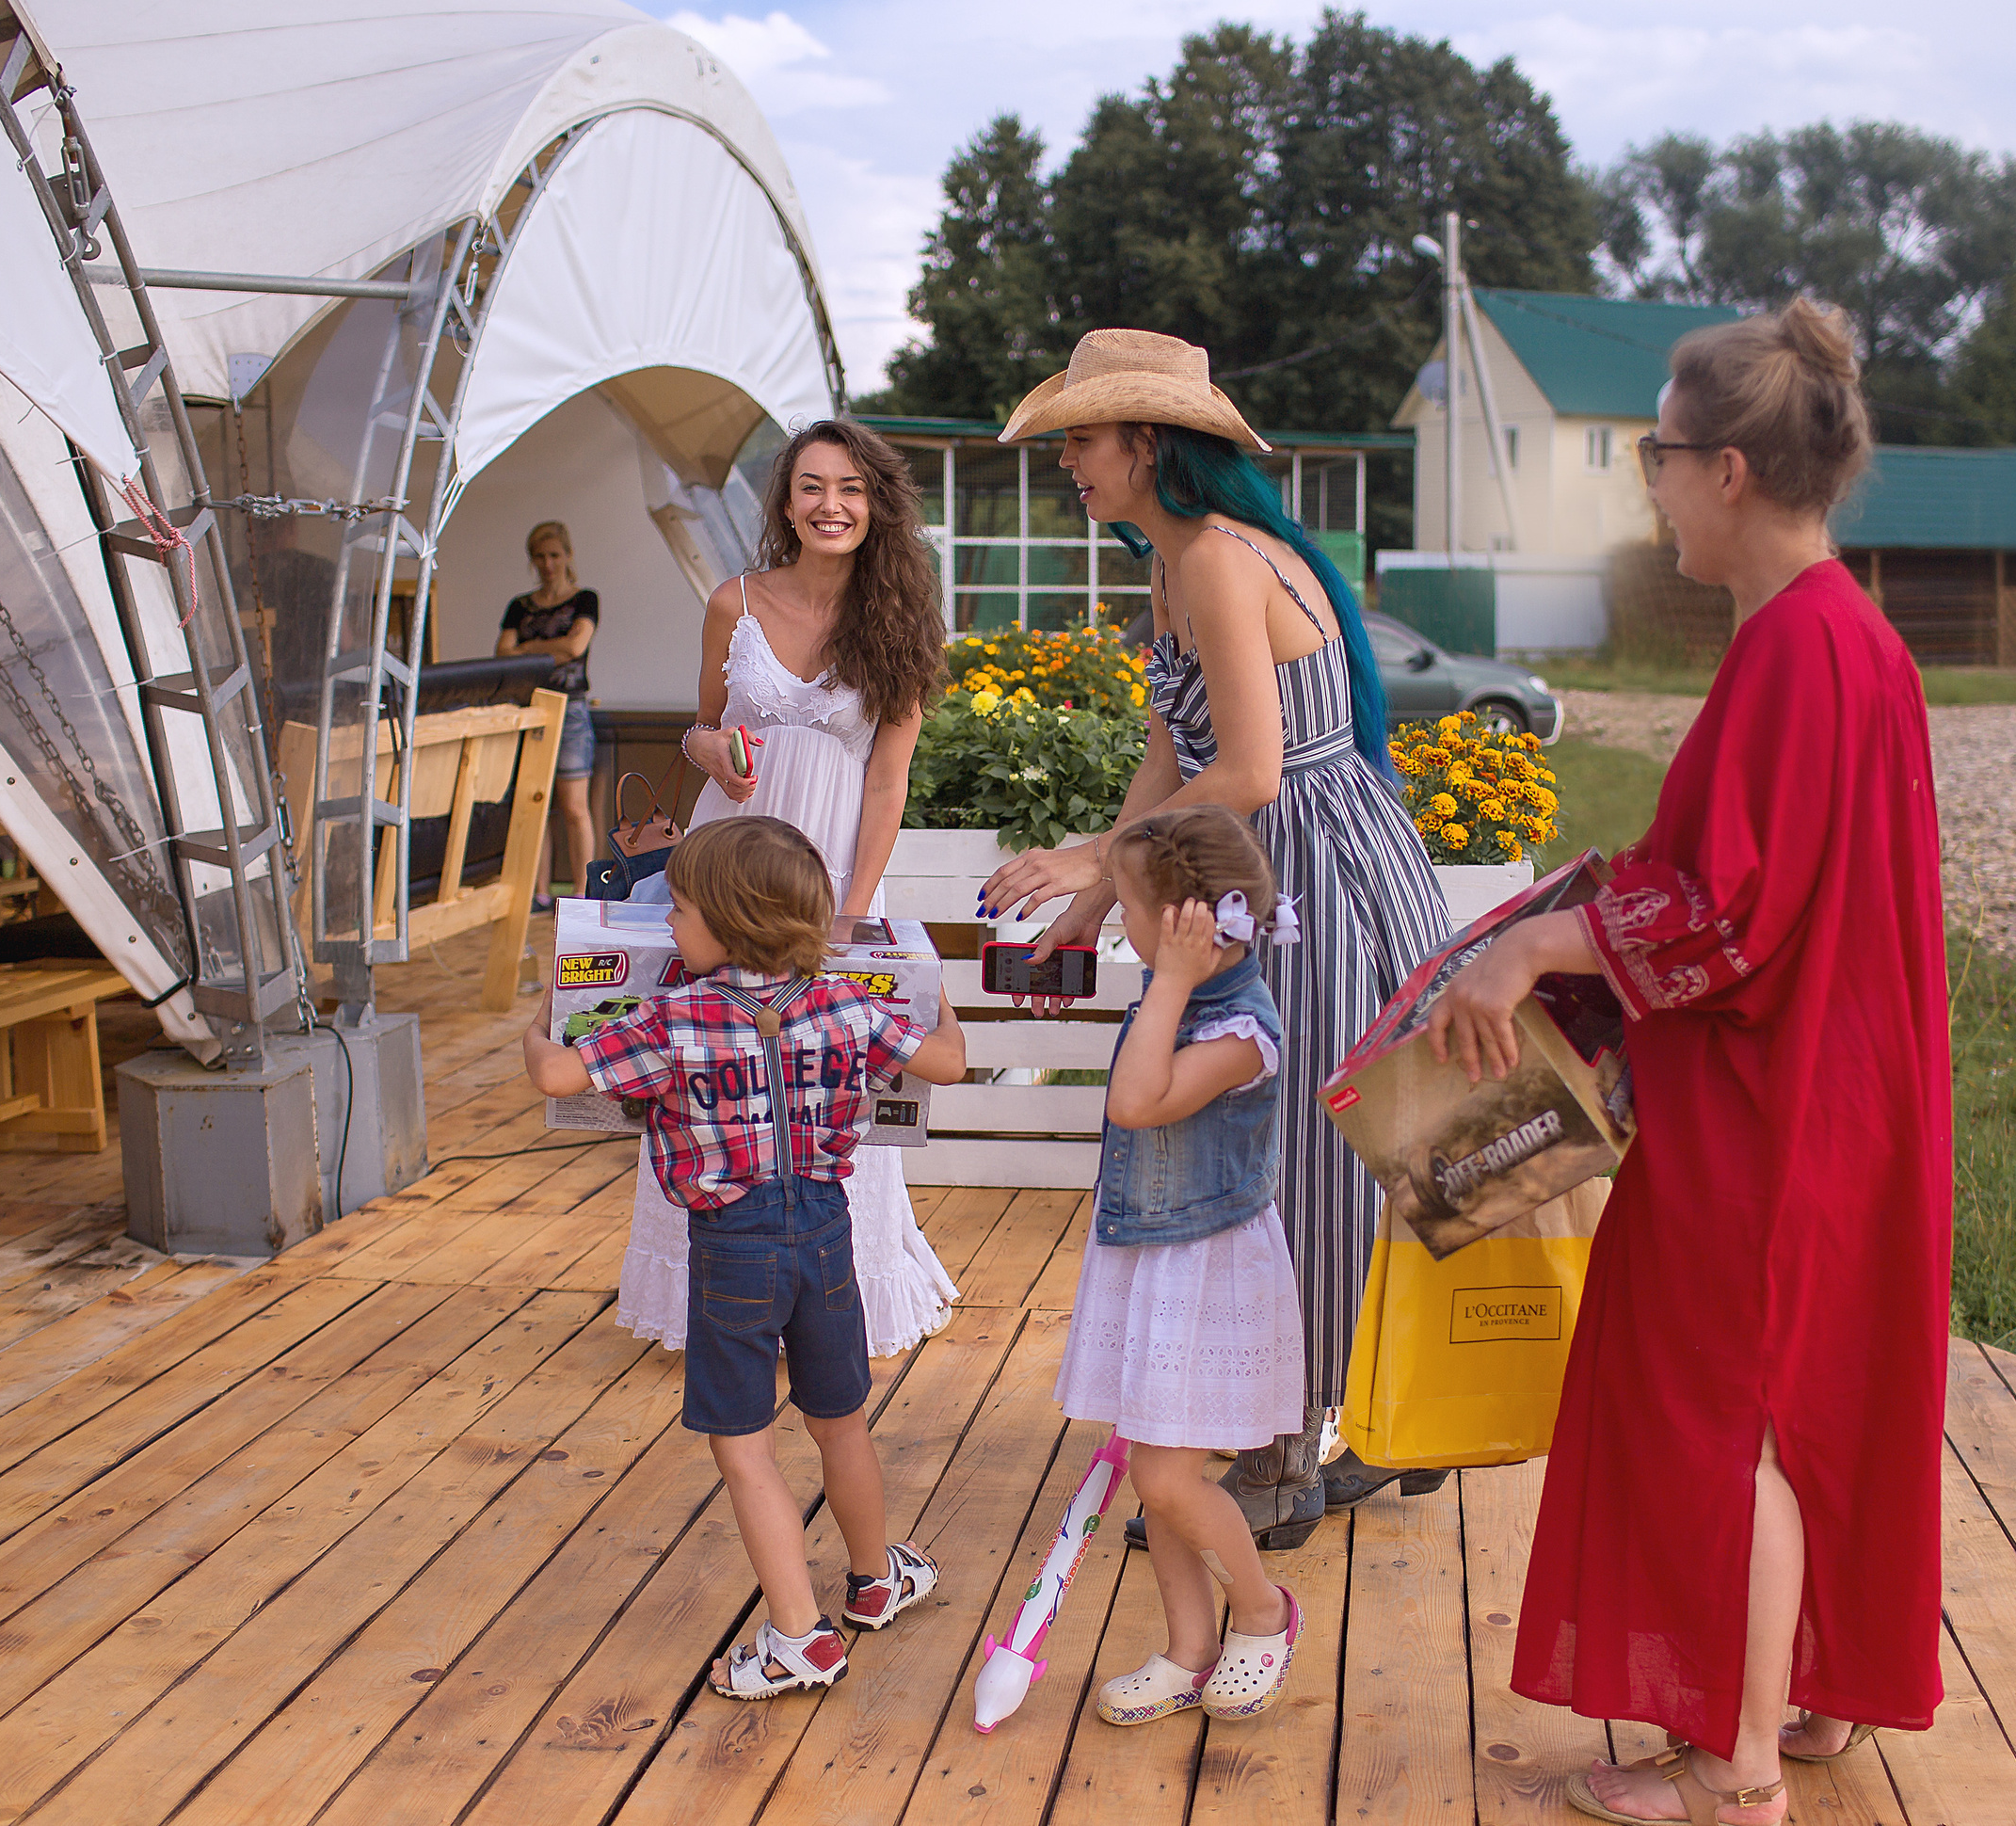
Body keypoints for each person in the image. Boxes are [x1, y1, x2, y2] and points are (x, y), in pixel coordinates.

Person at [1423, 299, 1951, 1825]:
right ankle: (1812, 1701)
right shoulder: (1852, 638)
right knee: (1815, 1396)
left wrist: (1526, 950)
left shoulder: (1800, 647)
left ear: (1726, 470)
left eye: (1655, 456)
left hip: (1771, 1110)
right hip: (1848, 1092)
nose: (1646, 487)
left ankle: (1730, 1767)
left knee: (1730, 1412)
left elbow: (1731, 911)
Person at [977, 328, 1453, 1548]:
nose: (1067, 462)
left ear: (1148, 443)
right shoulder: (1181, 561)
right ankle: (1348, 1423)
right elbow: (1172, 754)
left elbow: (1247, 767)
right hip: (1271, 868)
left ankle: (1290, 1452)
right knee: (1281, 1143)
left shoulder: (1222, 564)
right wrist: (1092, 898)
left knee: (1295, 1149)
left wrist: (1093, 860)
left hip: (1317, 874)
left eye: (1081, 439)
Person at [522, 817, 968, 1698]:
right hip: (825, 1233)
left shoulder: (673, 1017)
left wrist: (546, 1017)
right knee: (839, 1420)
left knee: (745, 1446)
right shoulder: (845, 1006)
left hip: (732, 1249)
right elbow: (947, 1062)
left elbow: (555, 1078)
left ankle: (800, 1636)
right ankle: (876, 1580)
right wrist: (936, 996)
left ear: (723, 923)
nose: (671, 923)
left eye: (680, 908)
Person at [616, 422, 957, 1360]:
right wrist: (708, 751)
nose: (830, 505)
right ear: (785, 503)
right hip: (727, 850)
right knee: (711, 1064)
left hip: (830, 861)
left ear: (875, 501)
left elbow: (887, 778)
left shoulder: (898, 621)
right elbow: (694, 727)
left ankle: (833, 1289)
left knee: (827, 1069)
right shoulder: (734, 601)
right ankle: (713, 1288)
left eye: (849, 487)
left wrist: (853, 904)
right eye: (810, 486)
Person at [1057, 805, 1305, 1726]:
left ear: (1184, 926)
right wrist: (1169, 981)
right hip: (1155, 1259)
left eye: (1125, 906)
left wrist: (1165, 984)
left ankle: (1263, 1609)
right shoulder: (1194, 995)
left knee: (1167, 1476)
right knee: (1152, 1473)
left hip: (1207, 1274)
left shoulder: (1241, 1029)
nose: (1115, 919)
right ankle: (1188, 1646)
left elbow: (1135, 1102)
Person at [495, 520, 599, 911]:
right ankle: (538, 893)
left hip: (571, 708)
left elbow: (575, 646)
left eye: (554, 555)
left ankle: (582, 892)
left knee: (574, 806)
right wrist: (549, 648)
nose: (547, 563)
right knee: (534, 804)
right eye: (540, 556)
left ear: (567, 556)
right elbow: (501, 652)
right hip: (530, 708)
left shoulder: (585, 599)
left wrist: (531, 646)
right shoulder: (519, 606)